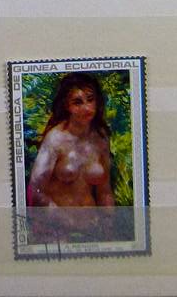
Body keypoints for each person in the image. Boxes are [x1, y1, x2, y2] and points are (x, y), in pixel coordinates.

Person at [26, 73, 115, 239]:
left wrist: (109, 224)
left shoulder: (101, 138)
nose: (87, 108)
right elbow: (35, 191)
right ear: (67, 106)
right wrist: (64, 220)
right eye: (77, 102)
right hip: (58, 232)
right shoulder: (55, 139)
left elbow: (105, 191)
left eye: (90, 99)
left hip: (93, 231)